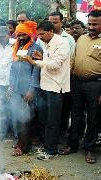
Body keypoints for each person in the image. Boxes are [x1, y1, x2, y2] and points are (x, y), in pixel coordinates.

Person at [59, 10, 101, 164]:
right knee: (75, 115)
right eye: (89, 23)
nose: (90, 27)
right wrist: (68, 78)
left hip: (95, 84)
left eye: (95, 24)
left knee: (93, 117)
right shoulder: (81, 38)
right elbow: (73, 59)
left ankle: (90, 149)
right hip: (76, 82)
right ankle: (73, 145)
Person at [25, 20, 70, 161]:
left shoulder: (62, 43)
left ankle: (51, 151)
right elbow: (48, 59)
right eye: (38, 34)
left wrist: (35, 62)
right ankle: (46, 146)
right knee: (43, 118)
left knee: (52, 121)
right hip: (44, 86)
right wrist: (41, 57)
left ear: (51, 31)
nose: (40, 37)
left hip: (56, 87)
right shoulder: (44, 42)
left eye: (42, 34)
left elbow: (55, 64)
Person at [8, 21, 42, 156]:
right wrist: (10, 86)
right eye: (19, 35)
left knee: (25, 118)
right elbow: (13, 68)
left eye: (23, 35)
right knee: (18, 116)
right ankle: (21, 142)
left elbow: (36, 70)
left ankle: (24, 147)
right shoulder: (17, 47)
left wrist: (31, 89)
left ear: (29, 34)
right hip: (16, 88)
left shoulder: (35, 49)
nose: (21, 38)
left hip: (27, 89)